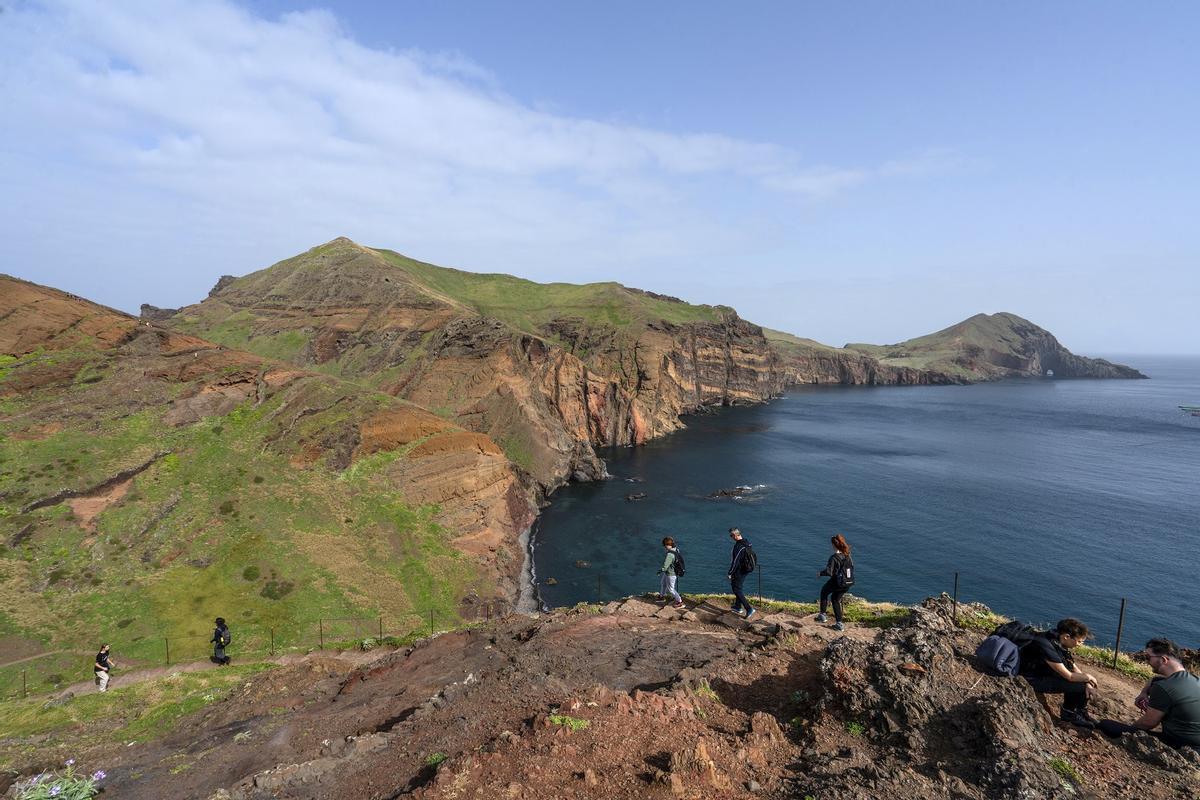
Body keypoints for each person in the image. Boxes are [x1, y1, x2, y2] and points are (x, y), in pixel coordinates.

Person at [1098, 638, 1200, 749]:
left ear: (1163, 660)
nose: (1147, 661)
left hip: (1182, 745)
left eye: (1148, 657)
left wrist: (1129, 731)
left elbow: (1148, 723)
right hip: (1195, 741)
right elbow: (1155, 679)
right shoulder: (1195, 679)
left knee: (1105, 725)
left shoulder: (1164, 687)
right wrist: (1144, 692)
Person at [1018, 618, 1098, 727]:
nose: (1080, 645)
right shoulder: (1046, 644)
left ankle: (1080, 710)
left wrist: (1089, 682)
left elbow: (1072, 667)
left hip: (1042, 672)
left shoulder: (1057, 638)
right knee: (1079, 685)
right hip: (1031, 679)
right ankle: (1068, 714)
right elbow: (1069, 676)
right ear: (1066, 637)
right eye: (1079, 641)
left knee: (1084, 682)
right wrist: (1087, 677)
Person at [814, 534, 854, 632]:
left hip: (838, 582)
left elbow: (829, 572)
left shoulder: (834, 557)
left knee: (824, 592)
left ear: (833, 545)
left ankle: (822, 615)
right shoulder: (847, 556)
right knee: (835, 599)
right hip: (848, 583)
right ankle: (839, 624)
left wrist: (820, 573)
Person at [727, 527, 756, 620]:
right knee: (738, 587)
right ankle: (737, 606)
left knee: (736, 589)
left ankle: (749, 608)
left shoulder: (739, 547)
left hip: (740, 570)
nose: (731, 537)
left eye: (731, 535)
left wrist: (730, 572)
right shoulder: (747, 542)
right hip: (746, 569)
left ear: (735, 535)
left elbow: (735, 562)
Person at [657, 537, 684, 609]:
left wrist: (660, 571)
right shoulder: (676, 550)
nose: (665, 547)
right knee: (663, 583)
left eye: (665, 545)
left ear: (668, 545)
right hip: (670, 572)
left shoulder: (670, 554)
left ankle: (680, 602)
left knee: (671, 589)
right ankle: (662, 596)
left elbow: (665, 566)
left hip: (671, 574)